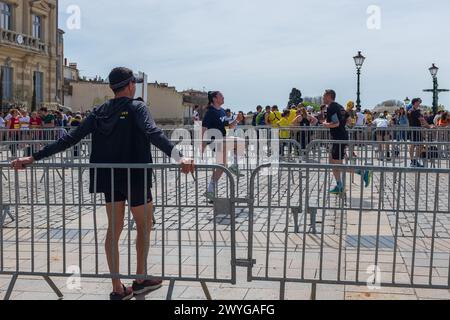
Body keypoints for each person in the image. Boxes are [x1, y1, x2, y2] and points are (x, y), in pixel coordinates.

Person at [11, 67, 195, 300]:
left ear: (112, 87)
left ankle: (117, 287)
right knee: (145, 224)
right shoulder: (138, 107)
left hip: (108, 177)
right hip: (135, 175)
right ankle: (140, 278)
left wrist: (33, 157)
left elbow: (70, 138)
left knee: (114, 230)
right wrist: (180, 157)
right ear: (130, 85)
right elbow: (153, 132)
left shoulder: (99, 111)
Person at [322, 90, 371, 194]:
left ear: (329, 96)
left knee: (338, 165)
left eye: (324, 96)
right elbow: (348, 120)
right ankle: (339, 185)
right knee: (332, 162)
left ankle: (362, 172)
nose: (323, 98)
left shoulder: (331, 107)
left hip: (338, 138)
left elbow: (336, 123)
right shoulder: (340, 106)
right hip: (340, 136)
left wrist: (326, 124)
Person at [202, 91, 244, 202]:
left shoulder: (222, 111)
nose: (223, 97)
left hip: (223, 140)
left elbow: (228, 127)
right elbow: (204, 130)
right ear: (214, 99)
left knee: (221, 167)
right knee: (239, 142)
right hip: (216, 141)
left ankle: (210, 191)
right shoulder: (210, 112)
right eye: (221, 95)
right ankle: (234, 165)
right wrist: (202, 147)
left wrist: (237, 120)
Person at [408, 98, 432, 167]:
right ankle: (414, 161)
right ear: (415, 103)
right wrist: (429, 127)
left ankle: (413, 161)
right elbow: (422, 120)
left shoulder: (410, 110)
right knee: (418, 145)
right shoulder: (414, 111)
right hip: (416, 130)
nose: (419, 103)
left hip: (413, 129)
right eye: (419, 102)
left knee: (414, 145)